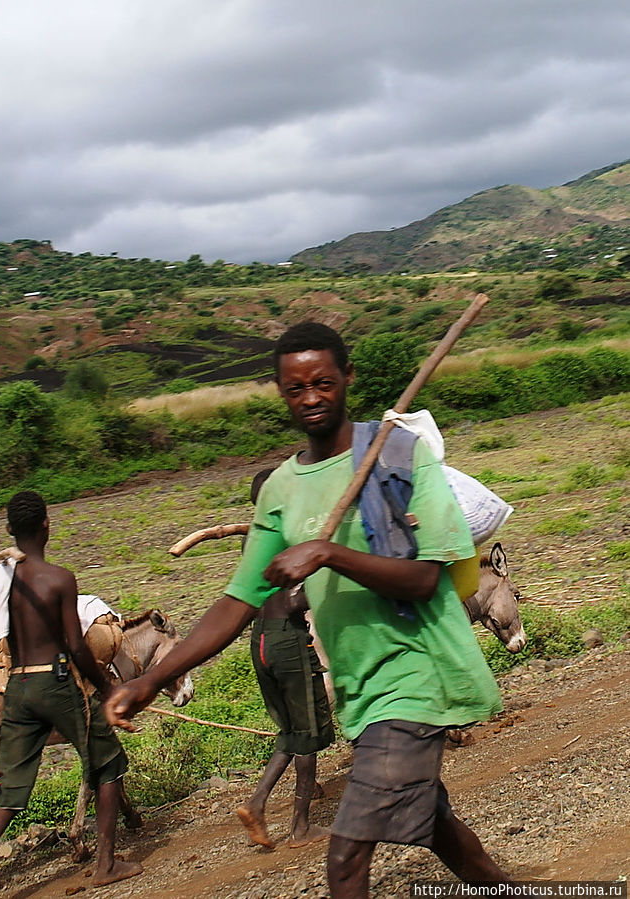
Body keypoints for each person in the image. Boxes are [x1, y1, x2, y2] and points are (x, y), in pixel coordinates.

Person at [105, 322, 512, 898]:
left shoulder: (398, 454)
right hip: (362, 688)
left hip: (418, 672)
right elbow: (237, 601)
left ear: (347, 378)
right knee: (436, 827)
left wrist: (328, 552)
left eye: (324, 382)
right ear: (281, 392)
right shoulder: (281, 488)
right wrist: (154, 678)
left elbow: (424, 579)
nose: (313, 397)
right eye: (297, 389)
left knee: (346, 856)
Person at [0, 491, 142, 899]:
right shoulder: (59, 578)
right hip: (55, 683)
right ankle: (106, 864)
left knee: (12, 787)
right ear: (47, 526)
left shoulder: (1, 582)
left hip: (17, 686)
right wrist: (108, 687)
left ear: (9, 531)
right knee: (108, 763)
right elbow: (75, 645)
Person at [235, 468, 334, 850]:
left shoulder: (254, 542)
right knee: (308, 733)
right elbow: (296, 599)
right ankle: (301, 827)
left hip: (260, 639)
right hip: (288, 639)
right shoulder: (288, 535)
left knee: (293, 730)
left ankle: (257, 803)